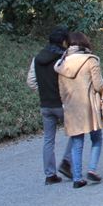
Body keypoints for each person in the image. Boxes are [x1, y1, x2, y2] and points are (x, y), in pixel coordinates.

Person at [54, 32, 103, 189]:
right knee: (97, 138)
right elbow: (98, 85)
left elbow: (62, 91)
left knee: (77, 142)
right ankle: (91, 169)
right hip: (90, 105)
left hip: (72, 106)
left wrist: (66, 103)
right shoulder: (91, 60)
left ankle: (77, 178)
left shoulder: (62, 64)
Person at [26, 27, 73, 185]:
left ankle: (50, 175)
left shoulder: (37, 58)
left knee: (48, 140)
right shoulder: (64, 58)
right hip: (63, 104)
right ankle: (67, 161)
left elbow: (31, 81)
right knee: (77, 132)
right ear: (63, 41)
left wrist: (45, 89)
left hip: (45, 104)